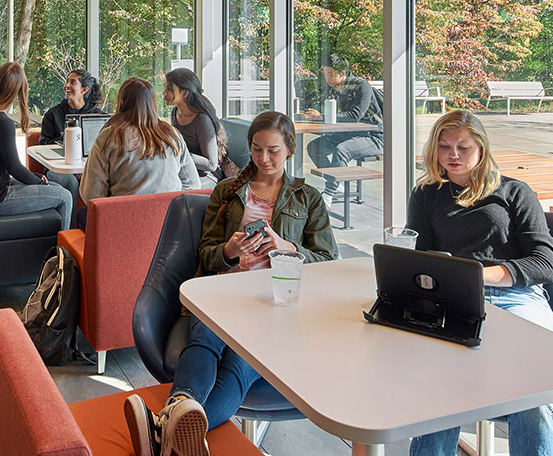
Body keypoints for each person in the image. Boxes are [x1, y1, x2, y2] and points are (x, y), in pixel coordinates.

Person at [123, 111, 336, 456]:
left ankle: (165, 430)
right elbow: (206, 254)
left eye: (273, 151)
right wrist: (230, 250)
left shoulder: (307, 198)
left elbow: (328, 263)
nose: (263, 159)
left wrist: (288, 249)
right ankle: (179, 428)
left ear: (290, 151)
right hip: (222, 292)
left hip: (275, 303)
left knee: (240, 364)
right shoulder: (227, 191)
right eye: (256, 149)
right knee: (205, 336)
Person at [405, 109, 553, 456]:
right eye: (444, 147)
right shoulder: (427, 194)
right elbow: (422, 255)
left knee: (538, 390)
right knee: (439, 388)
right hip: (455, 297)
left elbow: (545, 264)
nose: (453, 156)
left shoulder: (515, 192)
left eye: (463, 147)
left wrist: (478, 273)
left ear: (482, 149)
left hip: (517, 296)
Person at [78, 77, 200, 229]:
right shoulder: (172, 135)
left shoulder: (110, 135)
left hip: (124, 224)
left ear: (122, 102)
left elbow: (91, 195)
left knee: (82, 215)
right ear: (153, 103)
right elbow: (193, 186)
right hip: (169, 225)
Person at [0, 62, 72, 231]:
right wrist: (38, 183)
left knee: (56, 186)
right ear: (20, 91)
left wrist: (35, 179)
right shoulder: (2, 122)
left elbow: (7, 167)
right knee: (65, 196)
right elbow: (14, 167)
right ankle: (63, 253)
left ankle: (54, 242)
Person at [303, 53, 384, 202]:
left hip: (374, 137)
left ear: (342, 73)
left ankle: (329, 193)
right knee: (315, 146)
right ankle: (336, 182)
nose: (327, 78)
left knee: (342, 150)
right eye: (325, 74)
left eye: (330, 74)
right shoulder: (337, 88)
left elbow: (355, 115)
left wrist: (321, 116)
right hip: (351, 134)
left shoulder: (361, 86)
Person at [38, 68, 104, 202]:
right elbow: (43, 144)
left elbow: (103, 149)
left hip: (89, 167)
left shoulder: (98, 116)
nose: (66, 85)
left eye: (73, 82)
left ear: (84, 90)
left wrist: (84, 169)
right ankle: (68, 223)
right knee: (70, 182)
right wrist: (64, 141)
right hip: (59, 169)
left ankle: (95, 221)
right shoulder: (53, 114)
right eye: (67, 81)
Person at [163, 67, 234, 187]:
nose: (164, 92)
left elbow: (211, 164)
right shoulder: (175, 112)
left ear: (184, 93)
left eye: (169, 88)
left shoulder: (202, 120)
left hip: (207, 176)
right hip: (185, 171)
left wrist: (180, 154)